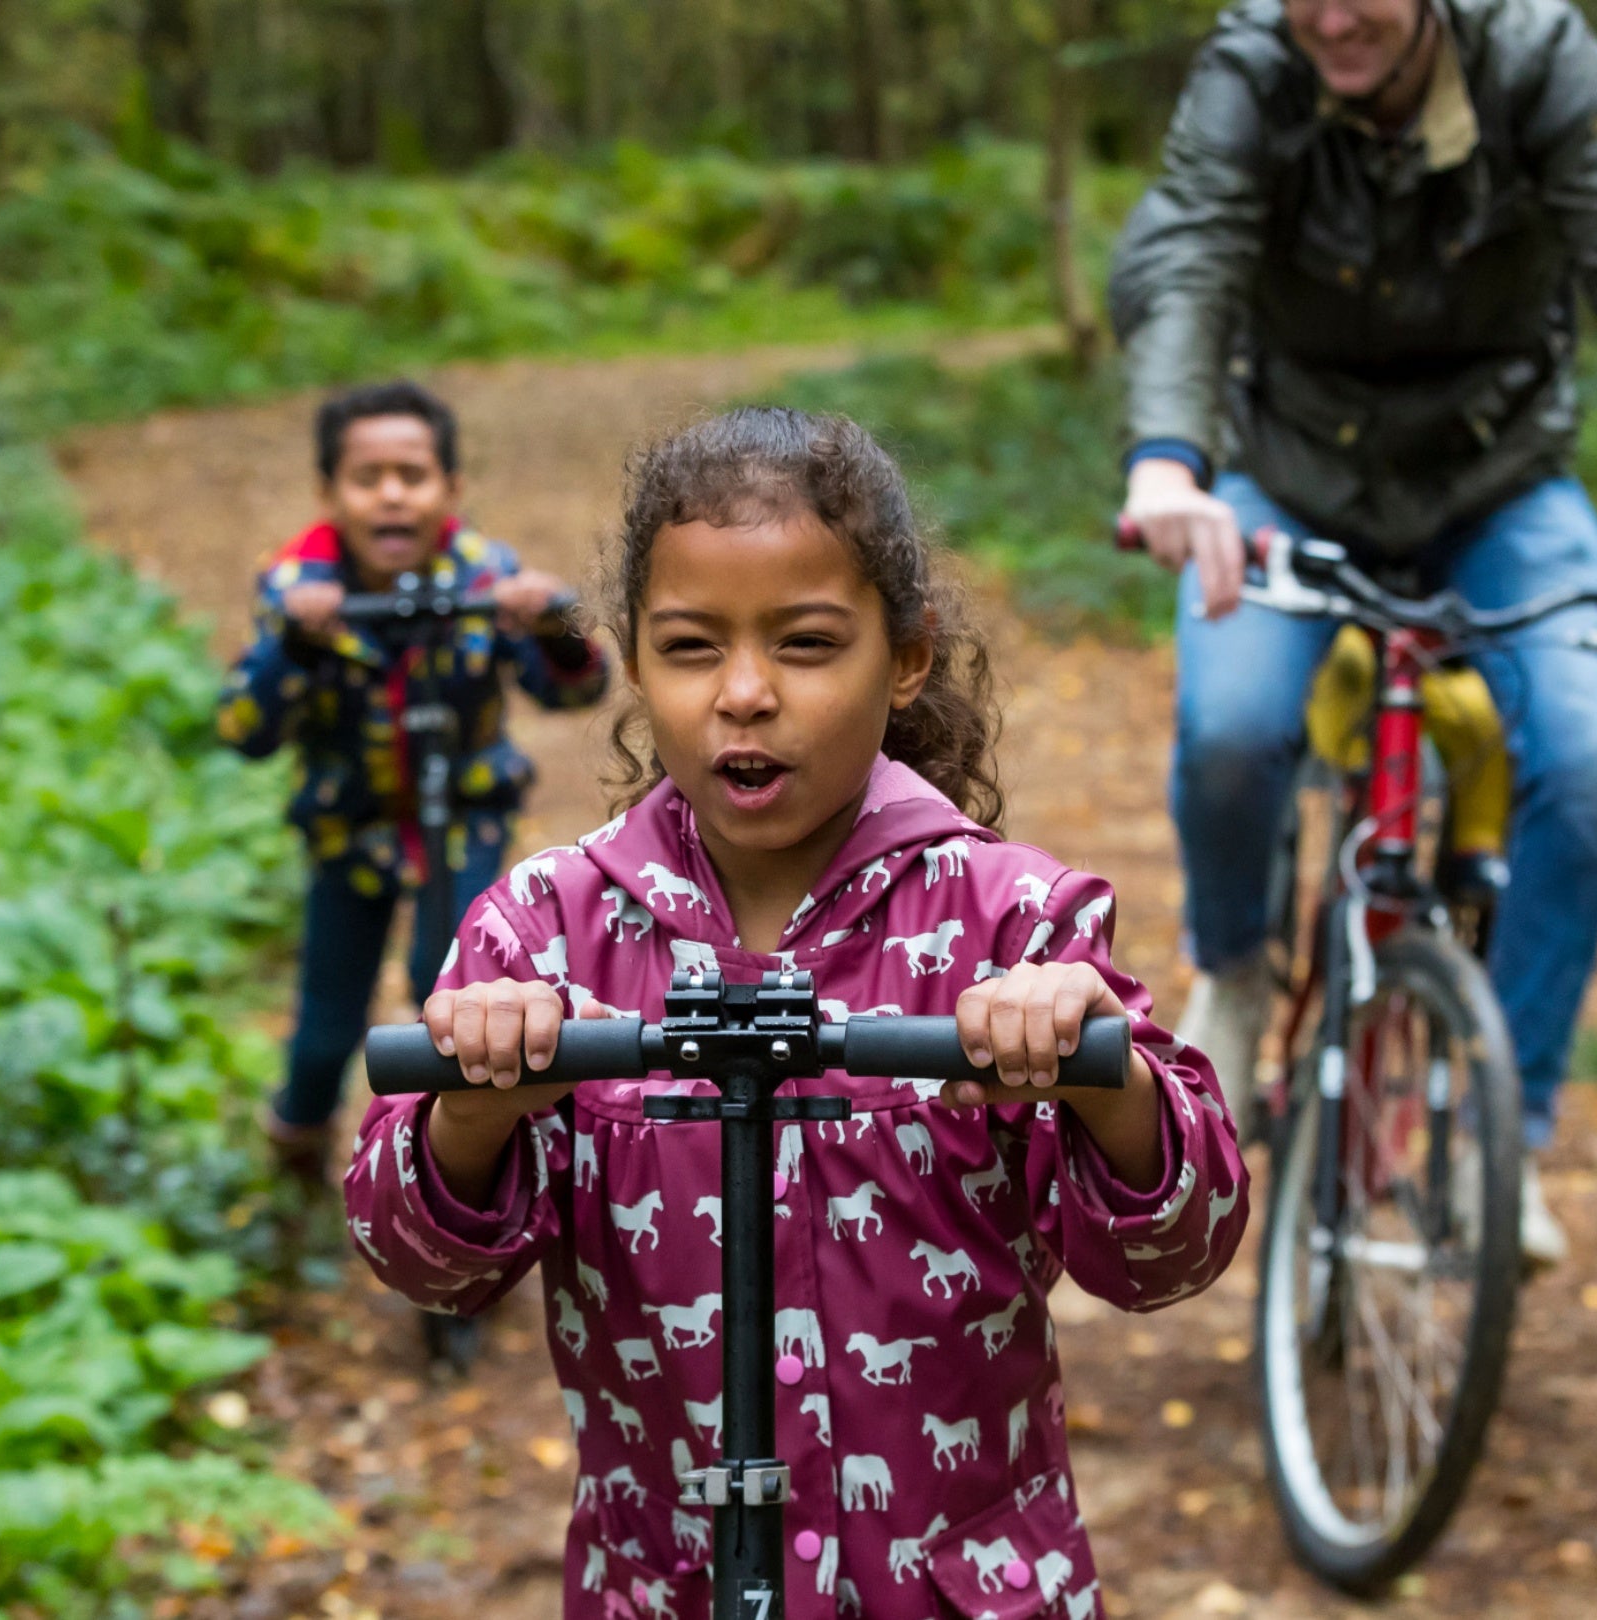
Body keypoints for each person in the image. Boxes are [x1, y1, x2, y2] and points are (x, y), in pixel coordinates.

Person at [346, 408, 1248, 1616]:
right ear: (631, 657)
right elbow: (417, 1260)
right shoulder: (543, 937)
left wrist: (1109, 1083)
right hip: (665, 1587)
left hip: (962, 1589)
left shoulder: (1012, 924)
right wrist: (472, 1113)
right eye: (690, 647)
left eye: (810, 644)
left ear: (907, 656)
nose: (747, 694)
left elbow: (1173, 1252)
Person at [1108, 0, 1597, 1265]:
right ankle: (1236, 972)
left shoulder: (1538, 60)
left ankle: (1502, 1120)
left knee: (1588, 759)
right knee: (1235, 726)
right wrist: (1167, 465)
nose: (1334, 17)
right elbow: (1187, 256)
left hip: (1499, 486)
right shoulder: (1255, 67)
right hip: (1286, 477)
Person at [217, 380, 608, 1191]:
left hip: (462, 820)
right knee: (328, 1023)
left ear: (451, 490)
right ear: (330, 494)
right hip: (347, 829)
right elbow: (245, 731)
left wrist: (547, 620)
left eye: (414, 474)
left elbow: (575, 688)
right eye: (368, 478)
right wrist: (297, 640)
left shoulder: (485, 575)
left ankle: (460, 1166)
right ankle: (295, 1158)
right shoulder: (297, 589)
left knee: (455, 983)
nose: (392, 495)